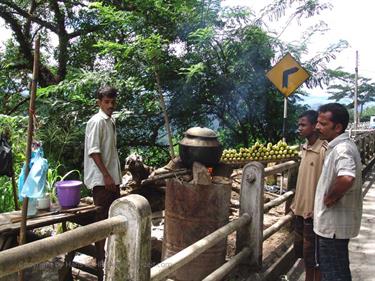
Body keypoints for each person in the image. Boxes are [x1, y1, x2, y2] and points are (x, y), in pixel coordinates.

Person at [314, 103, 362, 281]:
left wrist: (330, 198)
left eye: (323, 124)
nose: (318, 127)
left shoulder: (342, 149)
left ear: (338, 127)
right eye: (318, 122)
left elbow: (347, 177)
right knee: (336, 270)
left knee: (334, 274)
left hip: (333, 227)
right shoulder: (337, 146)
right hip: (332, 226)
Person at [84, 86, 122, 281]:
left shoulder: (110, 121)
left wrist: (114, 179)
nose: (110, 105)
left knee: (115, 221)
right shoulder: (97, 122)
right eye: (106, 102)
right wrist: (106, 176)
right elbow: (94, 151)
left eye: (112, 102)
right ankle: (100, 269)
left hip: (112, 180)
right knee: (101, 225)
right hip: (102, 182)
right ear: (99, 102)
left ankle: (112, 263)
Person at [291, 110, 327, 281]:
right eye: (299, 125)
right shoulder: (304, 148)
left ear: (314, 126)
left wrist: (318, 208)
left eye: (303, 125)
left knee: (316, 258)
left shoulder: (324, 150)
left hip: (314, 214)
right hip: (300, 212)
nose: (299, 128)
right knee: (305, 255)